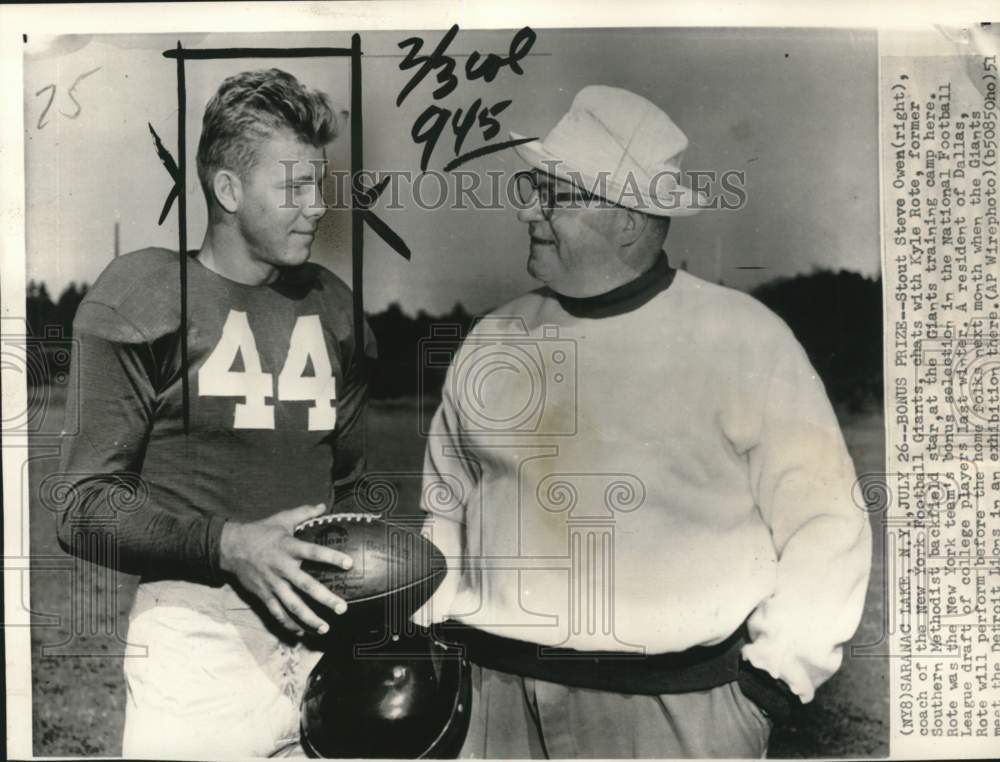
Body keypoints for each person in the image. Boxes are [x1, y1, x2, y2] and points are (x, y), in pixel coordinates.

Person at [416, 85, 872, 758]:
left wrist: (772, 684)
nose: (527, 211)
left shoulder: (744, 339)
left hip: (672, 715)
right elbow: (444, 505)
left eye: (553, 196)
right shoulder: (494, 338)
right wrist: (438, 631)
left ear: (627, 219)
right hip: (493, 704)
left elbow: (827, 523)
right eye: (532, 189)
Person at [56, 68, 372, 758]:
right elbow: (81, 506)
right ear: (228, 191)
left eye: (319, 184)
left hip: (323, 639)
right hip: (197, 644)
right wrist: (226, 543)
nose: (317, 206)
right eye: (294, 187)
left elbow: (350, 492)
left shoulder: (334, 306)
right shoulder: (145, 295)